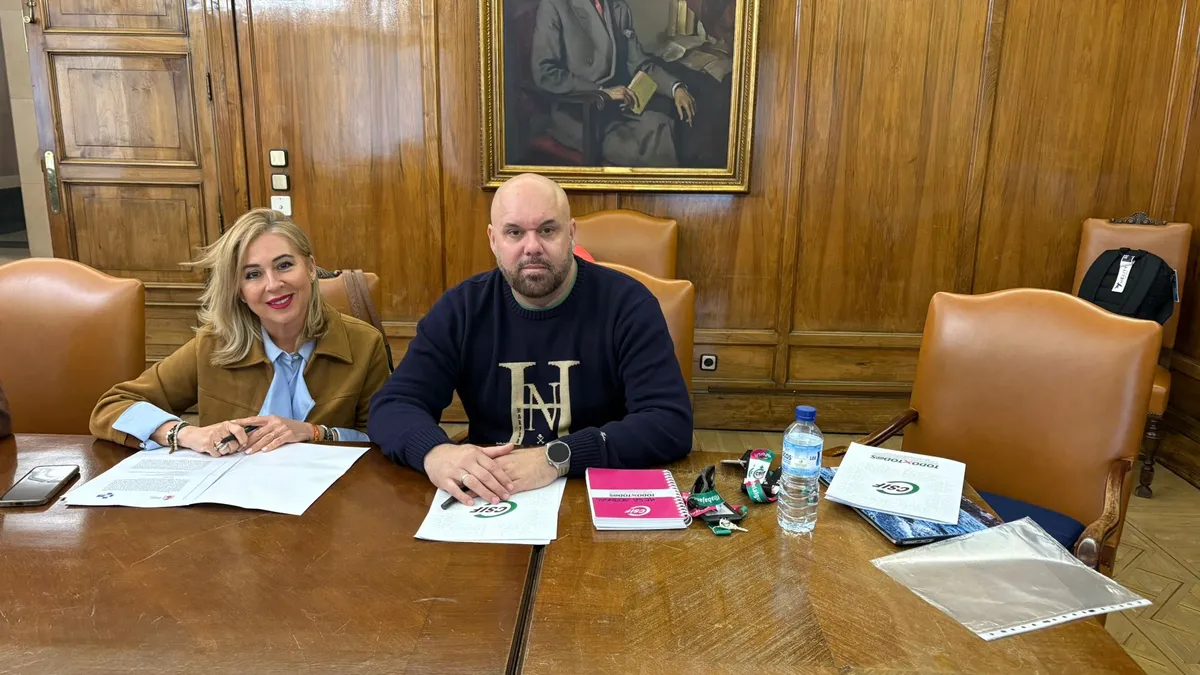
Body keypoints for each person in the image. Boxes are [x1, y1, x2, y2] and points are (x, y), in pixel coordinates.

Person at [369, 173, 692, 505]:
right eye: (514, 232)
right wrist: (434, 452)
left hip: (596, 490)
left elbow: (669, 423)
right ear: (493, 240)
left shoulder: (628, 305)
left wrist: (556, 457)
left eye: (548, 230)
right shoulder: (461, 309)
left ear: (571, 234)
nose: (532, 247)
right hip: (492, 494)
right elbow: (393, 405)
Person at [90, 209, 391, 456]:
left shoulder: (364, 344)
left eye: (284, 265)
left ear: (310, 268)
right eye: (253, 274)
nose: (273, 284)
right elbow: (113, 407)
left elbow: (383, 438)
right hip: (232, 503)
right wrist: (188, 434)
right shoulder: (213, 345)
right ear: (239, 291)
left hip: (331, 501)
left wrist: (315, 433)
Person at [531, 0, 698, 167]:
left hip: (618, 108)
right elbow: (544, 72)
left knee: (661, 126)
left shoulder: (619, 7)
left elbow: (639, 63)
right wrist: (601, 92)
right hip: (580, 114)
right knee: (645, 153)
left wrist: (675, 87)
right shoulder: (554, 5)